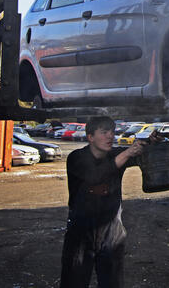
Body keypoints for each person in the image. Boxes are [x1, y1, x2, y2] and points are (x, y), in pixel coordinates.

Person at [60, 116, 145, 288]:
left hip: (112, 232)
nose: (110, 136)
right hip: (81, 232)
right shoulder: (77, 158)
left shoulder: (116, 154)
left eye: (112, 132)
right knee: (74, 282)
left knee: (112, 283)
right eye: (104, 132)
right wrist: (128, 153)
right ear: (90, 137)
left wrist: (150, 142)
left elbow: (145, 154)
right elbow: (95, 176)